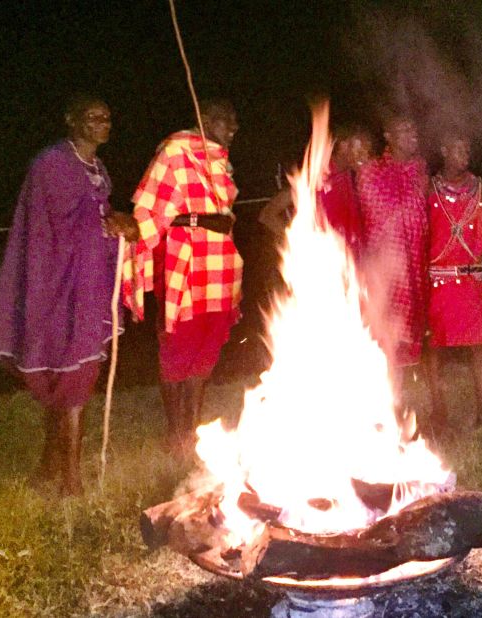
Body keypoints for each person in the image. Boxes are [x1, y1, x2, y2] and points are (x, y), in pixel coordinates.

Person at [0, 95, 138, 495]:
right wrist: (107, 224)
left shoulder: (97, 168)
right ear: (71, 121)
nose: (103, 122)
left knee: (76, 378)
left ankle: (53, 468)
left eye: (106, 116)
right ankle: (70, 480)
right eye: (92, 117)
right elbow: (50, 225)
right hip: (54, 284)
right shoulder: (50, 164)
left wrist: (119, 226)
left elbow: (96, 220)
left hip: (86, 285)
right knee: (65, 378)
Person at [124, 99, 242, 456]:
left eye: (236, 124)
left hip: (220, 264)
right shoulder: (175, 150)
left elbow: (225, 212)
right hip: (183, 261)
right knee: (177, 345)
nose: (233, 129)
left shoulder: (220, 159)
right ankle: (174, 432)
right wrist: (200, 220)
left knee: (206, 348)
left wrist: (215, 220)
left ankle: (191, 430)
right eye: (226, 122)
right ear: (204, 120)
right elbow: (150, 208)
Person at [424, 136, 482, 433]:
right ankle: (438, 410)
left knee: (479, 344)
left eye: (467, 149)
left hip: (471, 278)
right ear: (444, 150)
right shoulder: (429, 187)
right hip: (441, 278)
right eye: (458, 148)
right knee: (436, 345)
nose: (464, 154)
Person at [356, 115, 429, 393]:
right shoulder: (371, 171)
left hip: (413, 266)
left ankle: (397, 411)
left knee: (405, 341)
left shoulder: (418, 168)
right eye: (404, 129)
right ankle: (379, 406)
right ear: (388, 134)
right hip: (384, 272)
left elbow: (418, 216)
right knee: (382, 338)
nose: (413, 134)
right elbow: (378, 215)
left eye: (414, 128)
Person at [259, 124, 372, 256]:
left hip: (354, 264)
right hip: (328, 262)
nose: (366, 156)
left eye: (367, 151)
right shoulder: (316, 176)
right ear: (343, 146)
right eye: (361, 149)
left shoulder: (351, 175)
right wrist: (304, 242)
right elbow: (267, 215)